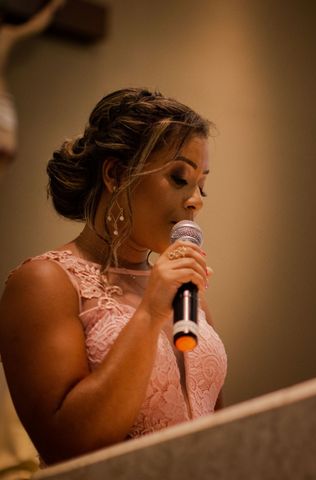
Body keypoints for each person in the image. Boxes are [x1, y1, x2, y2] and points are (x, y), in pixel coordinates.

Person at [0, 88, 227, 467]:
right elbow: (68, 446)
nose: (196, 200)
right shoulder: (44, 282)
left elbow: (220, 429)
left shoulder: (188, 292)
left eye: (201, 185)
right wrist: (151, 312)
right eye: (179, 177)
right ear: (116, 174)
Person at [0, 0, 66, 175]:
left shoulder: (5, 35)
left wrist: (53, 7)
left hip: (2, 106)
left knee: (5, 152)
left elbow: (35, 25)